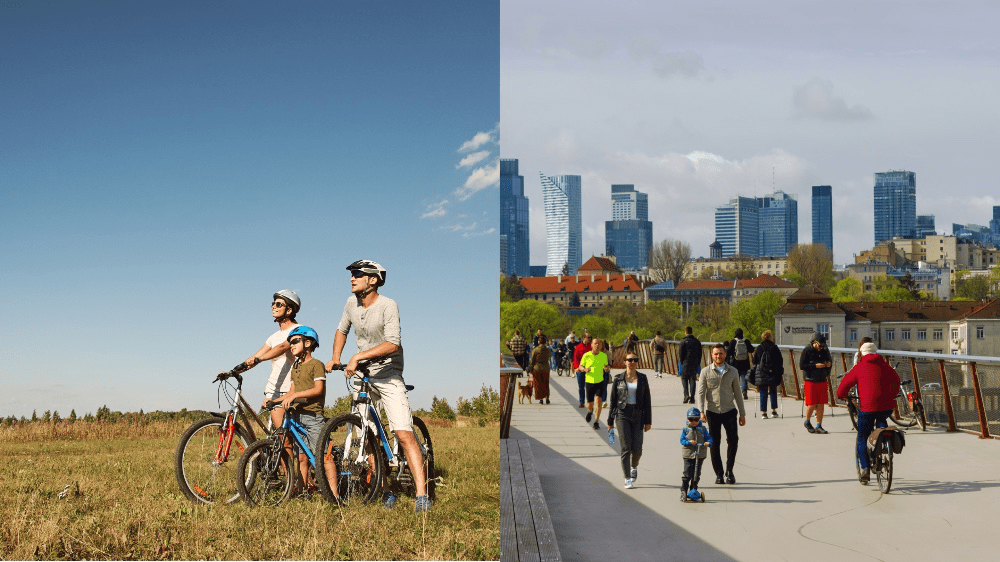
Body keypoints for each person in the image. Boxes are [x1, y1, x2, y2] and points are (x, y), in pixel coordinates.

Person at [324, 259, 431, 513]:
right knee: (367, 436)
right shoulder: (351, 303)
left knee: (403, 433)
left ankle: (422, 496)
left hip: (388, 373)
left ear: (372, 280)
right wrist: (336, 357)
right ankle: (385, 491)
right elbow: (342, 330)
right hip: (363, 374)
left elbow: (393, 343)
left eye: (358, 274)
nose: (352, 278)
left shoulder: (388, 305)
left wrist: (358, 356)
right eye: (351, 274)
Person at [223, 290, 301, 430]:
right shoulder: (273, 337)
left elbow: (283, 347)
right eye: (273, 303)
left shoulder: (299, 329)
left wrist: (260, 359)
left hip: (292, 388)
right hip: (274, 390)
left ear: (289, 310)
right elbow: (254, 358)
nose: (273, 307)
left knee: (294, 437)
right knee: (281, 435)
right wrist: (232, 371)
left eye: (278, 304)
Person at [836, 342, 901, 484]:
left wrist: (844, 396)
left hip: (867, 408)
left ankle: (865, 469)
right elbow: (897, 380)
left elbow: (842, 388)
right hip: (886, 406)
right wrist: (892, 394)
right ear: (876, 353)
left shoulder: (859, 367)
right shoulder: (885, 366)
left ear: (861, 354)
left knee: (862, 436)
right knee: (882, 423)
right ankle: (883, 444)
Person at [275, 326, 326, 495]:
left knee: (324, 456)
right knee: (302, 457)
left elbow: (318, 389)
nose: (291, 345)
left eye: (295, 341)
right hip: (298, 416)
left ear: (308, 343)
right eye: (290, 342)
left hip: (313, 415)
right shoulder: (295, 367)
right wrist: (274, 400)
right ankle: (302, 491)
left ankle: (334, 494)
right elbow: (291, 392)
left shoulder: (317, 364)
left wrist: (295, 395)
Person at [696, 343, 746, 485]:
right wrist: (701, 411)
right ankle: (719, 473)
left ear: (725, 354)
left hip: (729, 411)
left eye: (721, 353)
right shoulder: (705, 372)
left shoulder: (733, 371)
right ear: (712, 355)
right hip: (712, 412)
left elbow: (738, 393)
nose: (718, 356)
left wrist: (742, 414)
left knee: (733, 441)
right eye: (716, 353)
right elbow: (701, 393)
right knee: (714, 443)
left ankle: (729, 471)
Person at [607, 352, 652, 489]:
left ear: (637, 362)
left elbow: (647, 401)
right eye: (629, 360)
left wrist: (648, 421)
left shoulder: (643, 378)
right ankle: (627, 478)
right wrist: (610, 421)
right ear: (625, 362)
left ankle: (634, 466)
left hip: (638, 415)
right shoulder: (618, 378)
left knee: (637, 449)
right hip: (622, 414)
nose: (632, 362)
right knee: (626, 448)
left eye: (634, 360)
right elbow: (613, 400)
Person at [800, 332, 833, 434]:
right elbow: (802, 366)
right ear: (815, 342)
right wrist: (815, 365)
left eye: (822, 346)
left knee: (821, 404)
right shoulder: (807, 350)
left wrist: (828, 365)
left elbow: (829, 360)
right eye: (819, 346)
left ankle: (819, 425)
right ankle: (807, 421)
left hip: (822, 379)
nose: (821, 348)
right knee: (811, 403)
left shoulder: (824, 350)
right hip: (810, 380)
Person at [679, 406, 713, 501]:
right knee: (687, 473)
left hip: (699, 455)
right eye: (691, 419)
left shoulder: (702, 429)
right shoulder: (686, 429)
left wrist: (708, 443)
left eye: (696, 419)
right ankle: (683, 491)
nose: (693, 422)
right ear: (687, 419)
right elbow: (682, 440)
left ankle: (693, 489)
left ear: (699, 419)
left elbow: (709, 438)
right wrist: (689, 442)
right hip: (688, 455)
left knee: (696, 474)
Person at [578, 338, 611, 430]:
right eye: (595, 344)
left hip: (600, 381)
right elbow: (580, 366)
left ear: (601, 346)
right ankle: (589, 412)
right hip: (589, 382)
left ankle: (596, 422)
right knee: (590, 404)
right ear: (591, 345)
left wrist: (607, 369)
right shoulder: (586, 355)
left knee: (599, 401)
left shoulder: (603, 356)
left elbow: (606, 366)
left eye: (599, 344)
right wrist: (584, 369)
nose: (597, 345)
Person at [751, 330, 784, 419]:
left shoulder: (759, 347)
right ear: (770, 337)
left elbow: (754, 361)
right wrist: (780, 371)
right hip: (772, 372)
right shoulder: (774, 347)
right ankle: (773, 411)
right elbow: (780, 360)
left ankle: (764, 413)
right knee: (773, 392)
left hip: (762, 373)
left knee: (763, 392)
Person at [726, 328, 755, 400]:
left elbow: (729, 352)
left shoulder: (733, 341)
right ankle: (744, 390)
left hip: (735, 364)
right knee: (744, 378)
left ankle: (735, 393)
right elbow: (751, 350)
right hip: (745, 363)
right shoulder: (746, 341)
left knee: (735, 379)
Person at [678, 327, 702, 404]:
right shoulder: (697, 341)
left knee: (684, 379)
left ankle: (686, 395)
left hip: (685, 362)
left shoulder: (683, 341)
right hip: (694, 363)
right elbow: (700, 354)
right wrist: (698, 362)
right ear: (692, 331)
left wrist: (681, 363)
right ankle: (692, 397)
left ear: (685, 332)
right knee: (692, 380)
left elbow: (681, 354)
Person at [529, 335, 552, 405]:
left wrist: (531, 368)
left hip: (537, 368)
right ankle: (547, 398)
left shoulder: (536, 350)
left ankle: (541, 399)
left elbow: (532, 360)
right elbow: (549, 356)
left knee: (539, 384)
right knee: (546, 383)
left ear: (539, 342)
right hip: (546, 368)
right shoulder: (547, 349)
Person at [572, 334, 593, 408]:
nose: (590, 339)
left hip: (590, 370)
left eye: (590, 337)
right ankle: (581, 402)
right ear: (583, 338)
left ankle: (590, 401)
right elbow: (575, 358)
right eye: (588, 337)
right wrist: (577, 367)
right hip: (581, 370)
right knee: (581, 387)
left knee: (589, 386)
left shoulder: (591, 346)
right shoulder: (578, 347)